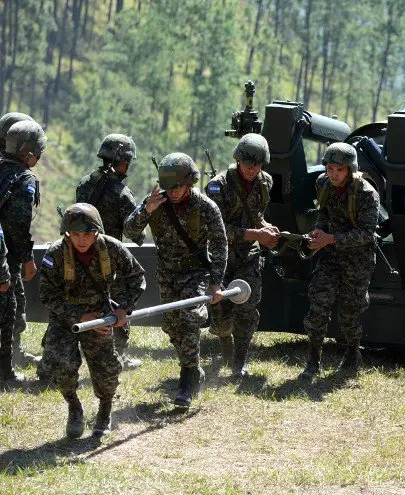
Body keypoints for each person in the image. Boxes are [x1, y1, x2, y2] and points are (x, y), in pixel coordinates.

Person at [124, 152, 227, 407]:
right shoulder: (155, 202)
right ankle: (192, 367)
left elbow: (220, 245)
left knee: (190, 316)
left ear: (190, 182)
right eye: (168, 187)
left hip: (195, 273)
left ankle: (187, 379)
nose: (172, 192)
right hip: (167, 273)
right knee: (172, 327)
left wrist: (215, 282)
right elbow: (129, 230)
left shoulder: (206, 207)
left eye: (177, 187)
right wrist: (147, 209)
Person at [39, 204, 146, 438]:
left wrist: (123, 309)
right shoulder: (55, 253)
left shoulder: (112, 248)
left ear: (96, 231)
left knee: (106, 371)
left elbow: (137, 277)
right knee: (59, 364)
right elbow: (47, 294)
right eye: (75, 234)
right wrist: (78, 316)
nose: (82, 239)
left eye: (87, 233)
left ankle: (104, 411)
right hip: (66, 318)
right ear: (67, 233)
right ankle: (74, 406)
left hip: (101, 316)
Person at [300, 142, 379, 379]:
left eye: (339, 170)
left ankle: (353, 352)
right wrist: (318, 232)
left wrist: (330, 238)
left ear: (350, 169)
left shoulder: (367, 194)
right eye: (330, 169)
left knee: (350, 313)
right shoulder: (322, 184)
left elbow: (366, 234)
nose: (333, 175)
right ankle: (313, 359)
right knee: (318, 304)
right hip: (330, 257)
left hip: (358, 260)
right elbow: (323, 213)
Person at [205, 134, 279, 377]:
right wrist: (256, 233)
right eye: (248, 165)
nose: (252, 169)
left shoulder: (265, 182)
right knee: (220, 313)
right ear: (237, 160)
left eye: (257, 165)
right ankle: (225, 345)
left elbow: (257, 215)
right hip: (221, 257)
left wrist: (266, 228)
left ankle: (239, 362)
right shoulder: (218, 185)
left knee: (248, 309)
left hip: (249, 256)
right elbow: (218, 230)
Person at [76, 133, 145, 370]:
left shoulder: (85, 184)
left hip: (80, 252)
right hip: (109, 256)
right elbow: (136, 233)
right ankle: (119, 354)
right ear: (123, 161)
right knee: (119, 300)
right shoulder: (121, 193)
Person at [0, 119, 45, 384]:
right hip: (6, 257)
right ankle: (6, 371)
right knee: (9, 309)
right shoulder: (24, 179)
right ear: (28, 152)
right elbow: (18, 226)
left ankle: (13, 354)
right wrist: (27, 259)